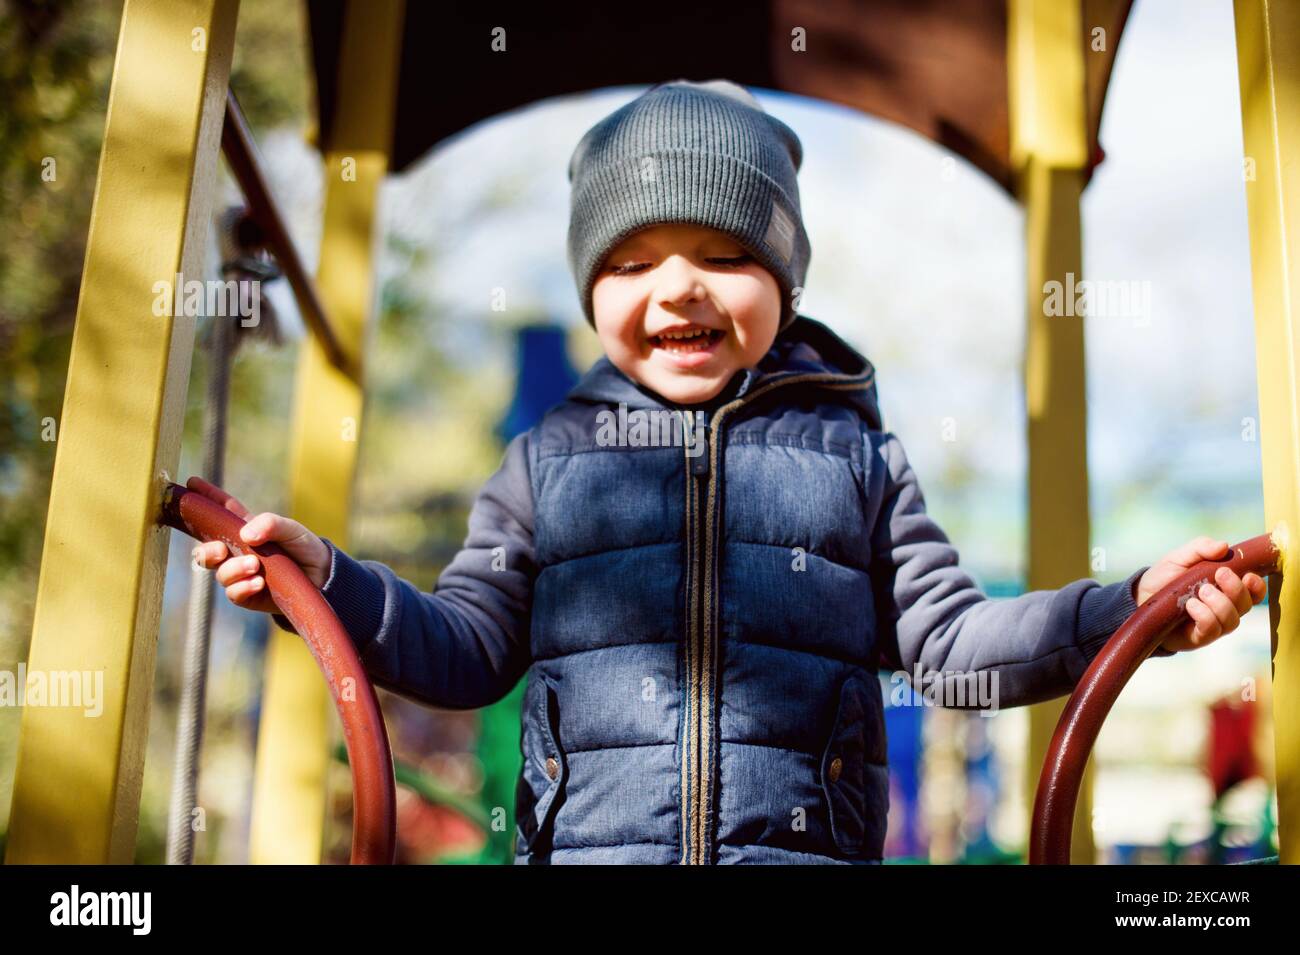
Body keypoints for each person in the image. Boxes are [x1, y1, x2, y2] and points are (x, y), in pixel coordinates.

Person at [192, 79, 1266, 864]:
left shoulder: (857, 459)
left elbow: (951, 646)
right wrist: (329, 581)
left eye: (722, 256)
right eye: (629, 261)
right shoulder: (547, 462)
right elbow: (466, 645)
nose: (677, 291)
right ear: (590, 289)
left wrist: (1127, 608)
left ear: (784, 280)